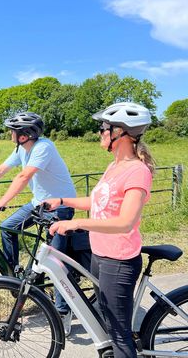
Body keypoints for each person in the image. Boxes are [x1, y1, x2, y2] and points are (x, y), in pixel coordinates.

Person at [0, 111, 91, 336]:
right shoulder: (22, 149)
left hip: (59, 207)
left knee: (54, 260)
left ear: (24, 135)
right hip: (37, 203)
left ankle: (62, 311)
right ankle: (15, 280)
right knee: (8, 228)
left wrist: (2, 201)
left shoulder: (43, 148)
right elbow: (1, 170)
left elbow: (23, 177)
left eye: (13, 130)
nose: (10, 133)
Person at [46, 102, 154, 357]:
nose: (100, 133)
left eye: (104, 128)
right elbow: (98, 202)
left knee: (119, 336)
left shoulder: (138, 172)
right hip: (100, 255)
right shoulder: (113, 167)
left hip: (119, 262)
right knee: (107, 324)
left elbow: (125, 222)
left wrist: (77, 223)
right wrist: (62, 201)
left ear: (121, 134)